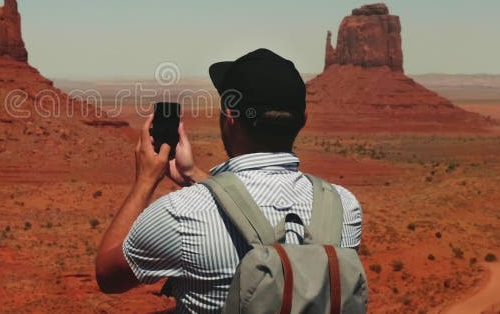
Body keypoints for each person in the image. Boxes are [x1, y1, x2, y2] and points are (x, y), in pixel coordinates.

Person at [95, 48, 363, 313]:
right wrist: (194, 176)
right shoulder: (344, 208)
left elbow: (108, 275)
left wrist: (145, 181)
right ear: (303, 120)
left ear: (230, 117)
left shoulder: (182, 214)